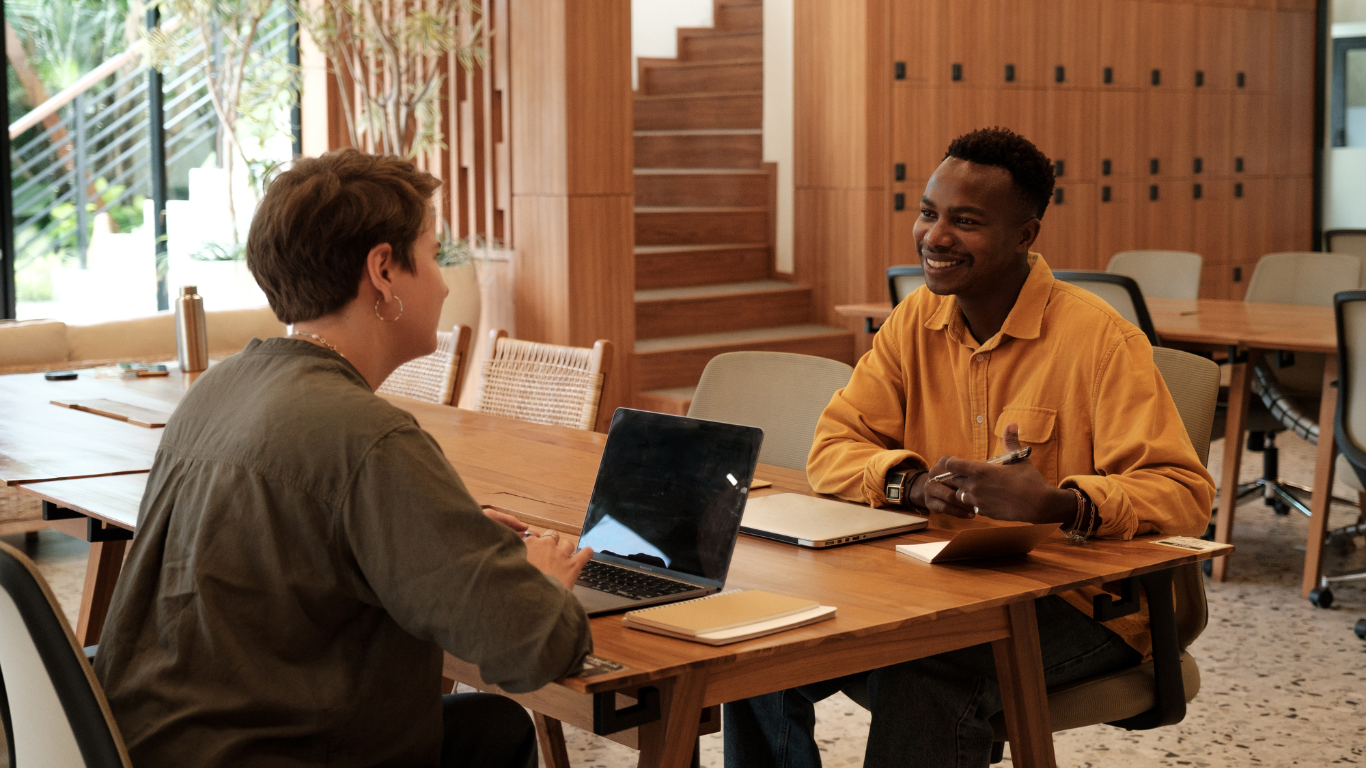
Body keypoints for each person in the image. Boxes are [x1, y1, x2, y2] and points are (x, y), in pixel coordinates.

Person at [723, 127, 1217, 767]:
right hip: (939, 584)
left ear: (1025, 236)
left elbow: (1183, 495)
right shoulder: (913, 322)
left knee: (924, 667)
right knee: (763, 638)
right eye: (928, 213)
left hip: (1084, 609)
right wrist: (913, 483)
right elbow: (835, 445)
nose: (935, 236)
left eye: (966, 221)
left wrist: (1057, 505)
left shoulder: (1101, 341)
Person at [93, 149, 594, 768]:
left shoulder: (217, 390)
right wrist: (542, 582)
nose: (441, 283)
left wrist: (441, 539)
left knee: (489, 729)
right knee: (496, 722)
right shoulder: (370, 437)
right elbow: (538, 646)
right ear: (383, 269)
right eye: (434, 255)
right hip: (278, 755)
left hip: (148, 749)